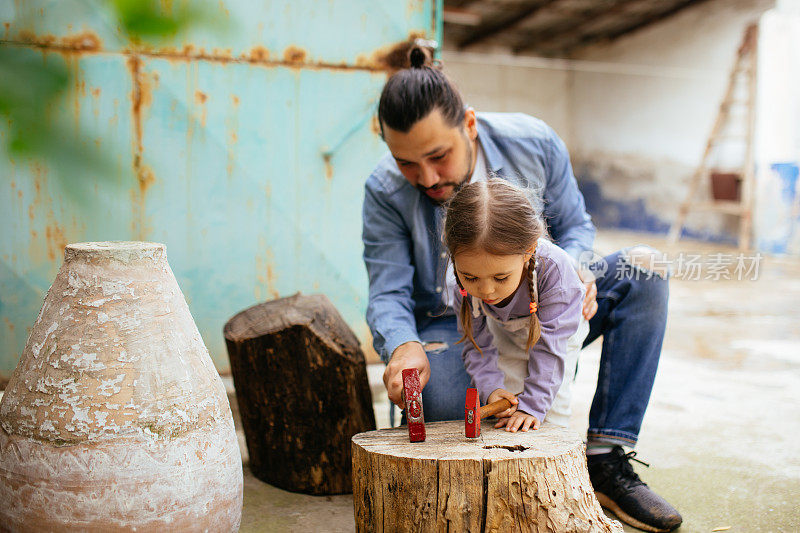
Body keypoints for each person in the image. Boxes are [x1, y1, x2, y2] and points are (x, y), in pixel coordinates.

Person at [361, 46, 682, 532]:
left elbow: (576, 227)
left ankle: (604, 457)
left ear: (468, 124)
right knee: (446, 408)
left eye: (438, 157)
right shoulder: (383, 191)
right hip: (454, 329)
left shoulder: (534, 142)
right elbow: (388, 291)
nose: (426, 179)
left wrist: (576, 273)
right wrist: (403, 347)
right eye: (406, 164)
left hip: (545, 302)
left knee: (644, 271)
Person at [445, 179, 589, 432]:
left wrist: (533, 406)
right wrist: (490, 389)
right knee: (510, 408)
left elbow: (551, 350)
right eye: (471, 278)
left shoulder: (555, 270)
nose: (487, 291)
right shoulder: (459, 280)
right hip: (505, 331)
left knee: (550, 412)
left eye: (501, 278)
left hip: (556, 338)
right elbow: (476, 345)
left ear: (529, 250)